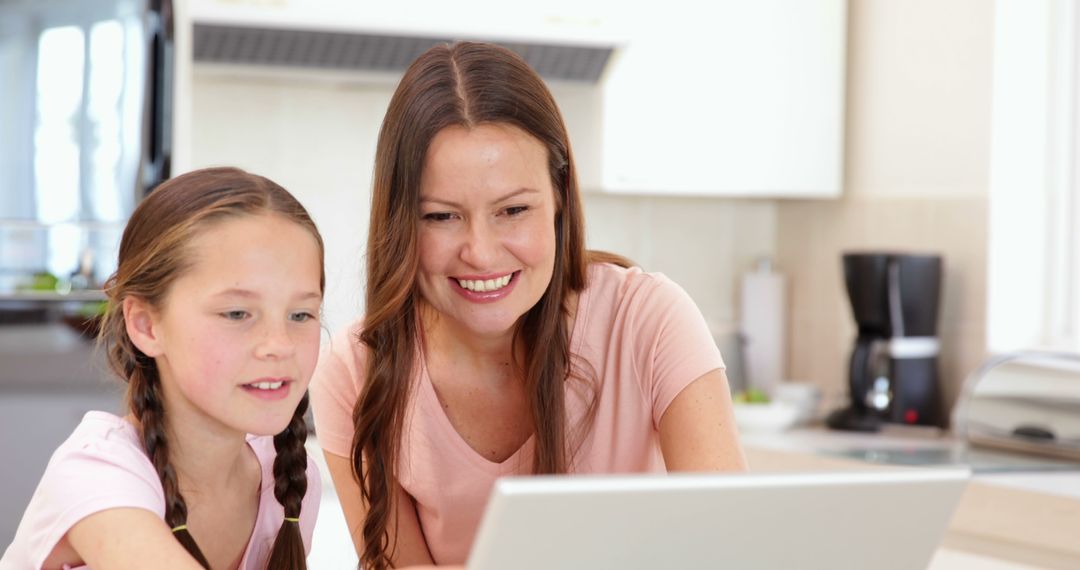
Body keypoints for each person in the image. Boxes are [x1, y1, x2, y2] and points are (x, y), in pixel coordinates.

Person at [310, 41, 747, 570]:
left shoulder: (648, 320)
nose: (482, 252)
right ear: (400, 219)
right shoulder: (356, 371)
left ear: (560, 195)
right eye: (441, 217)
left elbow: (728, 548)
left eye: (513, 210)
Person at [2, 167, 324, 569]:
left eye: (301, 314)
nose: (280, 345)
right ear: (145, 324)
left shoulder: (289, 481)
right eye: (237, 313)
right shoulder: (96, 475)